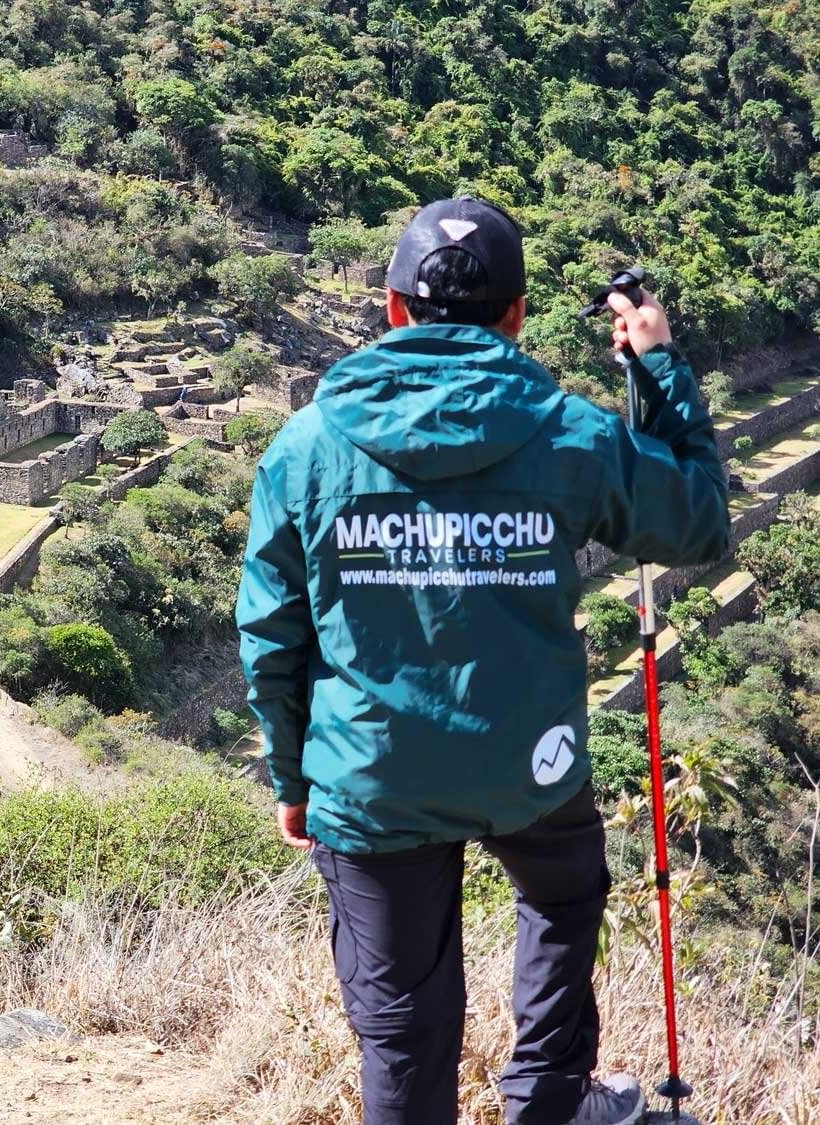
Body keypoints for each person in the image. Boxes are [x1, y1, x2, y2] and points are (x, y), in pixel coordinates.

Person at [235, 198, 729, 1125]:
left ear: (391, 308)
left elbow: (271, 630)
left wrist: (293, 774)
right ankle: (544, 1100)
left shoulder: (307, 445)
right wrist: (654, 364)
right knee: (564, 889)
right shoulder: (569, 436)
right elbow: (697, 516)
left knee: (404, 1034)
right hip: (528, 765)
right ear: (517, 314)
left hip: (371, 775)